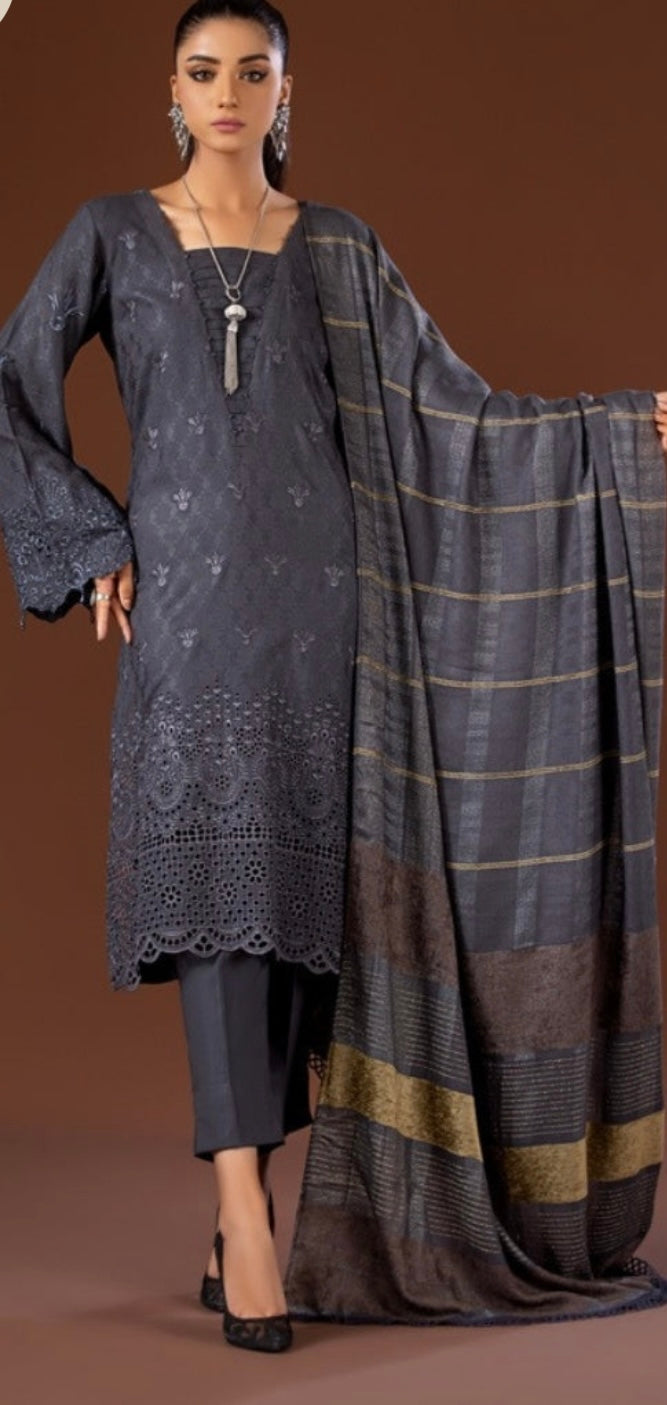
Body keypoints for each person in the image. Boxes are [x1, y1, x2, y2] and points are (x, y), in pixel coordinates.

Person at [1, 0, 667, 1352]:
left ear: (285, 94)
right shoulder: (112, 234)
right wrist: (88, 536)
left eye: (254, 72)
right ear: (171, 90)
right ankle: (243, 1209)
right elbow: (7, 380)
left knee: (315, 924)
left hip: (333, 623)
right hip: (193, 624)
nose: (228, 94)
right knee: (219, 905)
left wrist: (615, 428)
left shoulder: (340, 248)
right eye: (204, 71)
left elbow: (456, 413)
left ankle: (240, 1207)